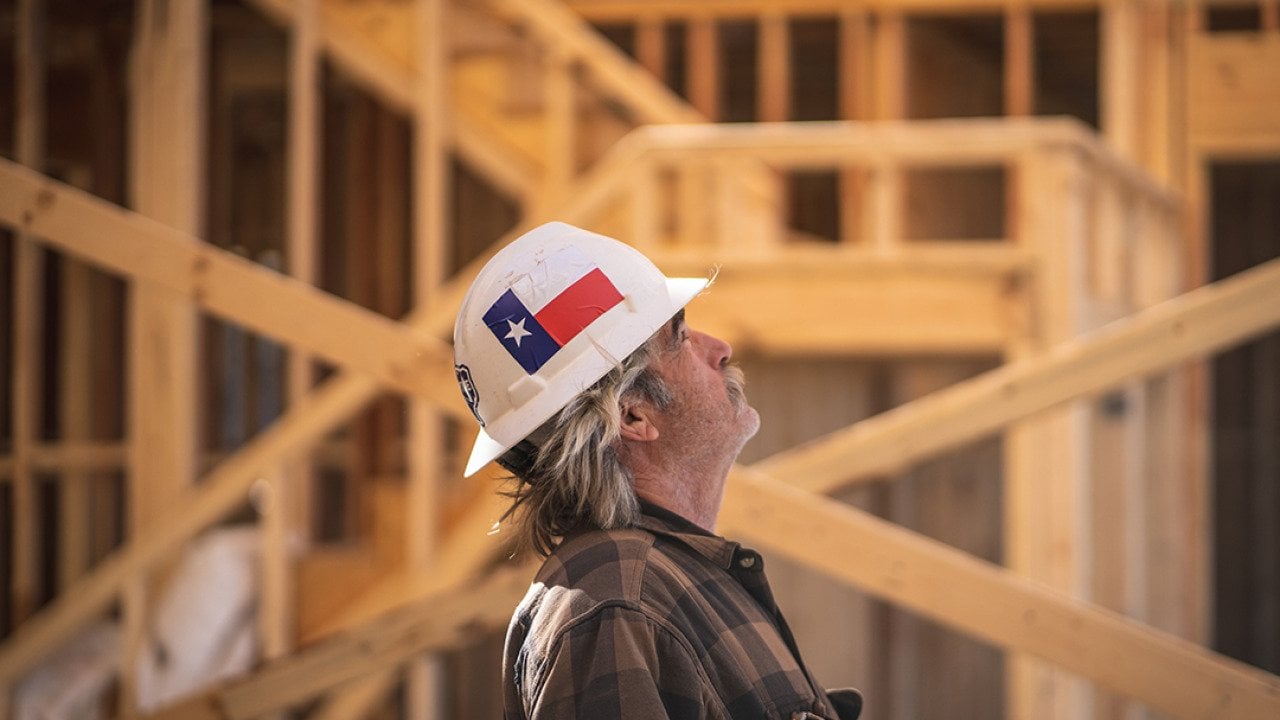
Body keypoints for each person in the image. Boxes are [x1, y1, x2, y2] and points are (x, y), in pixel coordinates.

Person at [453, 222, 862, 720]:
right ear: (632, 415)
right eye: (681, 337)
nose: (720, 348)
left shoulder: (653, 585)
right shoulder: (616, 609)